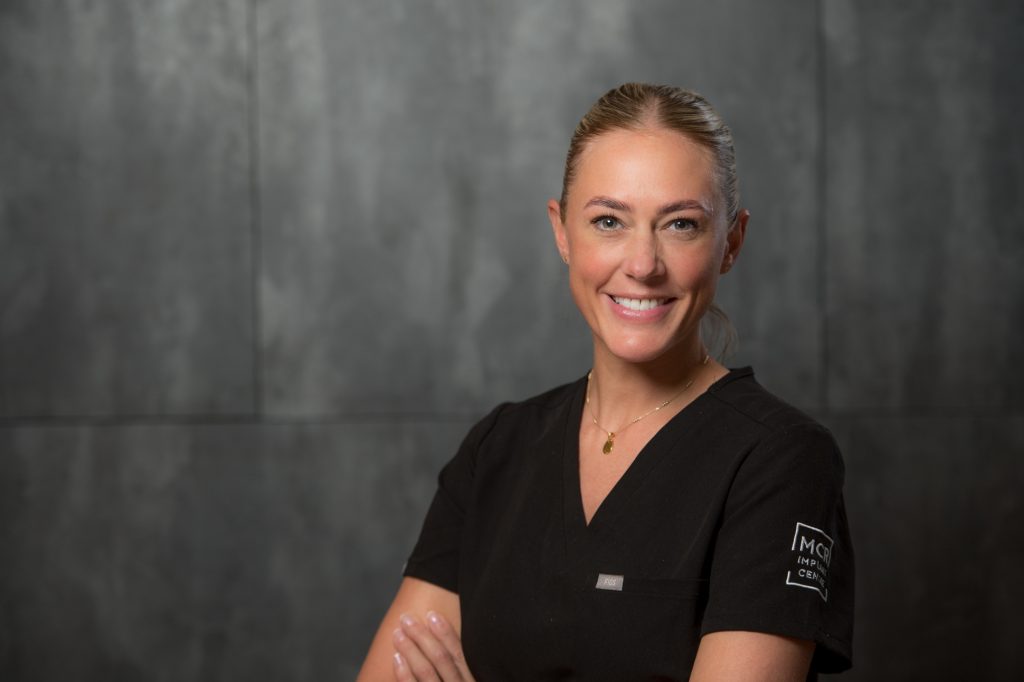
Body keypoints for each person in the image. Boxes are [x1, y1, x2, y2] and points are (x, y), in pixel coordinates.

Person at [357, 83, 854, 681]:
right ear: (562, 231)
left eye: (680, 225)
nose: (642, 264)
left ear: (732, 242)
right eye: (609, 220)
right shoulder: (498, 450)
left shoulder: (782, 461)